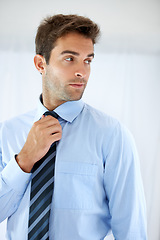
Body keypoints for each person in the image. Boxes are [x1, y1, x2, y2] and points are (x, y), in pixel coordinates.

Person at [0, 14, 147, 240]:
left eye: (88, 60)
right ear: (41, 64)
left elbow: (131, 229)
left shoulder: (112, 135)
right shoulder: (8, 132)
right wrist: (25, 160)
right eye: (70, 59)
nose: (82, 72)